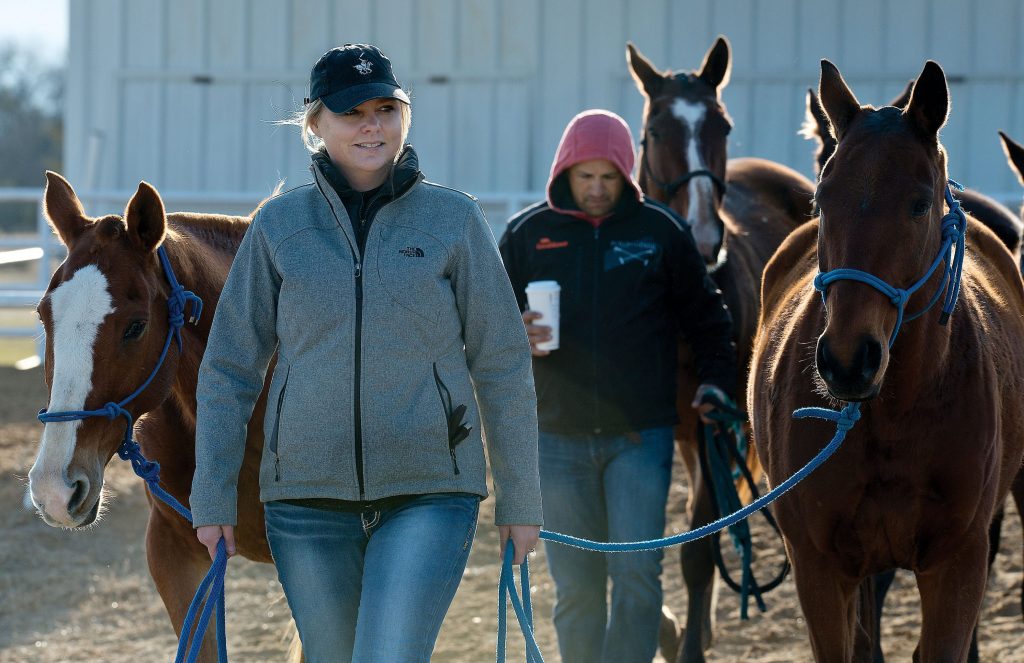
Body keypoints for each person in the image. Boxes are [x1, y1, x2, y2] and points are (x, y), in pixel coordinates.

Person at [189, 43, 542, 663]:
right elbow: (229, 369)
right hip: (304, 501)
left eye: (385, 107)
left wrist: (521, 498)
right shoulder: (277, 228)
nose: (371, 124)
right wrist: (213, 495)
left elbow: (503, 362)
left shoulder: (454, 221)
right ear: (315, 125)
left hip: (429, 491)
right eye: (351, 112)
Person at [499, 109, 736, 663]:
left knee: (635, 576)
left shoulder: (660, 231)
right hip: (555, 441)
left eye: (609, 177)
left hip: (641, 438)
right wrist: (517, 334)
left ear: (627, 173)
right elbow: (480, 323)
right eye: (586, 177)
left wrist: (717, 386)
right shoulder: (528, 234)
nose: (598, 190)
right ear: (565, 172)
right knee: (576, 586)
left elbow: (709, 320)